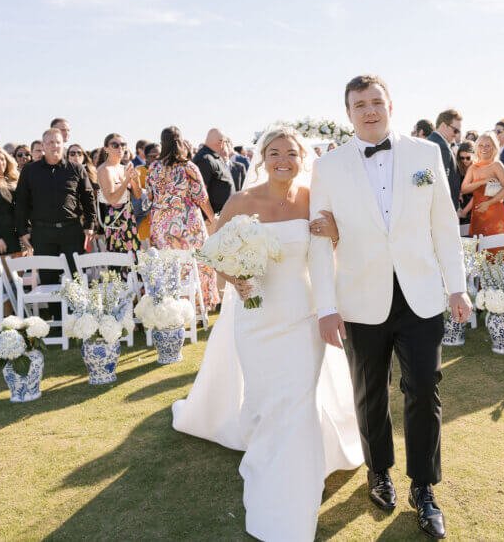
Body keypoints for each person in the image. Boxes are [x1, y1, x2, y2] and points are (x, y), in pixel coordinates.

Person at [172, 127, 362, 541]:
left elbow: (333, 248)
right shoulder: (242, 201)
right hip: (256, 317)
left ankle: (296, 490)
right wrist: (233, 277)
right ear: (262, 157)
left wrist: (334, 234)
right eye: (274, 152)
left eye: (291, 153)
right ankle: (266, 464)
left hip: (303, 315)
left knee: (298, 400)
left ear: (302, 157)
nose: (283, 159)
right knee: (263, 400)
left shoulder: (315, 198)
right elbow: (214, 256)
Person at [310, 74, 469, 540]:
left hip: (420, 293)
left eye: (376, 101)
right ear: (348, 113)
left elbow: (444, 224)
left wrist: (456, 287)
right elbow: (320, 241)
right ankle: (378, 472)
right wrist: (325, 306)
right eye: (359, 104)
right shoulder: (329, 166)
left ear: (391, 105)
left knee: (424, 386)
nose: (369, 110)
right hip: (359, 296)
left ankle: (424, 488)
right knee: (369, 390)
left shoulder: (426, 154)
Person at [147, 127, 220, 315]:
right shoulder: (188, 167)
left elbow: (150, 198)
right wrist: (212, 218)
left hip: (161, 225)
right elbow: (201, 197)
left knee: (168, 267)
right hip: (187, 225)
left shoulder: (153, 167)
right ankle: (196, 307)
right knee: (196, 264)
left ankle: (170, 308)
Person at [15, 128, 98, 279]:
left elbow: (88, 198)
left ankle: (76, 304)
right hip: (42, 233)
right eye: (50, 142)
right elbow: (21, 202)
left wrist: (90, 225)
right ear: (44, 145)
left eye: (58, 142)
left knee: (77, 278)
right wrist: (23, 230)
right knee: (48, 280)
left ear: (63, 144)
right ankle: (54, 305)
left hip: (71, 231)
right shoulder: (29, 170)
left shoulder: (76, 169)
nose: (55, 146)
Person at [461, 132, 504, 254]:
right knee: (479, 254)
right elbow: (464, 189)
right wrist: (482, 182)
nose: (484, 148)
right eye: (481, 145)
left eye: (487, 145)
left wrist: (489, 203)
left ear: (494, 147)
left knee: (496, 253)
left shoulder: (496, 165)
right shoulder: (473, 168)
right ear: (476, 147)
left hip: (495, 215)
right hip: (478, 215)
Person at [96, 133, 142, 254]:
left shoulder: (123, 168)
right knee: (119, 266)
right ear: (106, 148)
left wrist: (135, 179)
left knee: (135, 264)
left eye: (123, 144)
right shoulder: (104, 169)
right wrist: (127, 179)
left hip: (129, 220)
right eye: (115, 145)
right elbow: (112, 199)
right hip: (114, 222)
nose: (120, 148)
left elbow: (137, 195)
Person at [193, 128, 236, 216]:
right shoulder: (204, 159)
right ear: (221, 142)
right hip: (211, 220)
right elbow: (200, 193)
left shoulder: (212, 157)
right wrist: (212, 218)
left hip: (221, 216)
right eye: (225, 142)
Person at [427, 109, 462, 211]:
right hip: (443, 208)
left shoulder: (431, 142)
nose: (456, 135)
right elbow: (442, 183)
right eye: (455, 130)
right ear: (443, 125)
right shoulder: (441, 146)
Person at [455, 141, 474, 224]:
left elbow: (478, 195)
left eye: (468, 158)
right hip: (462, 205)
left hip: (474, 207)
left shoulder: (478, 169)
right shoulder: (459, 167)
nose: (464, 161)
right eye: (462, 158)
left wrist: (464, 212)